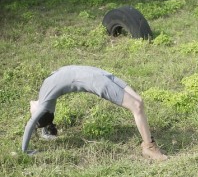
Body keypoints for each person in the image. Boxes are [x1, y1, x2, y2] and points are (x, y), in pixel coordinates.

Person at [22, 65, 167, 161]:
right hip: (96, 74)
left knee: (138, 103)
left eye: (32, 112)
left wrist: (25, 150)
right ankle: (149, 147)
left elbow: (30, 125)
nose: (31, 106)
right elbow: (36, 121)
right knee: (137, 104)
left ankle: (148, 147)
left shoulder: (45, 104)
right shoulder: (46, 93)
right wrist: (43, 129)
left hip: (97, 77)